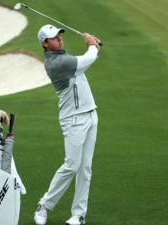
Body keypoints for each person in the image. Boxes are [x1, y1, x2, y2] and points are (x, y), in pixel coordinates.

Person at [34, 24, 101, 225]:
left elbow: (83, 61)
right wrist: (93, 45)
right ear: (44, 43)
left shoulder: (64, 56)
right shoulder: (56, 63)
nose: (59, 39)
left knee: (85, 168)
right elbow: (87, 59)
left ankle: (79, 215)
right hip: (73, 120)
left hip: (90, 115)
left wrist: (92, 46)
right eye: (54, 38)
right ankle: (44, 205)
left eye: (59, 35)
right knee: (72, 165)